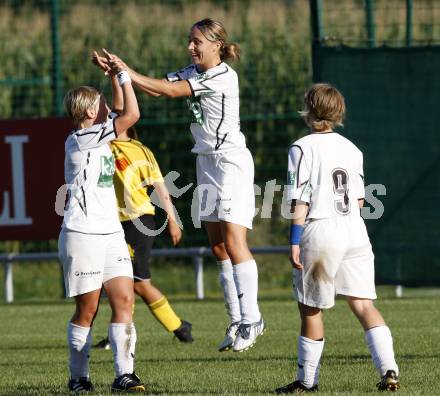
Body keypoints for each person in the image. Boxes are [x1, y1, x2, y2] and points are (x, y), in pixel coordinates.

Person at [93, 18, 264, 352]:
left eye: (197, 41)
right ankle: (236, 320)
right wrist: (118, 73)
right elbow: (157, 85)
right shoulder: (194, 70)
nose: (191, 46)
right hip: (206, 161)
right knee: (217, 246)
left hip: (230, 161)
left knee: (233, 238)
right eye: (190, 40)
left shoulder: (222, 76)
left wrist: (127, 70)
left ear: (217, 45)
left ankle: (252, 318)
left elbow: (168, 90)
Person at [275, 83, 399, 393]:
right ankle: (389, 370)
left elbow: (300, 198)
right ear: (338, 113)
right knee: (363, 303)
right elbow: (358, 200)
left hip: (321, 231)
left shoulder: (301, 148)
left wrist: (294, 239)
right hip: (354, 230)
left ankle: (307, 381)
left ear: (308, 110)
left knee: (311, 308)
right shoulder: (351, 148)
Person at [58, 51, 145, 392]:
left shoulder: (99, 134)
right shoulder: (82, 138)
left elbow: (121, 110)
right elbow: (132, 113)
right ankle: (78, 377)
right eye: (101, 104)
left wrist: (112, 76)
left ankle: (125, 374)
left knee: (124, 299)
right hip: (82, 233)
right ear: (91, 112)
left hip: (109, 232)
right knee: (88, 310)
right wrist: (124, 72)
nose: (107, 108)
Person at [94, 126, 193, 349]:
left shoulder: (140, 150)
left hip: (137, 221)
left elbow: (160, 186)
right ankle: (120, 334)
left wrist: (172, 219)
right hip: (113, 223)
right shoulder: (101, 145)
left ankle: (178, 326)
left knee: (137, 282)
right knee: (122, 280)